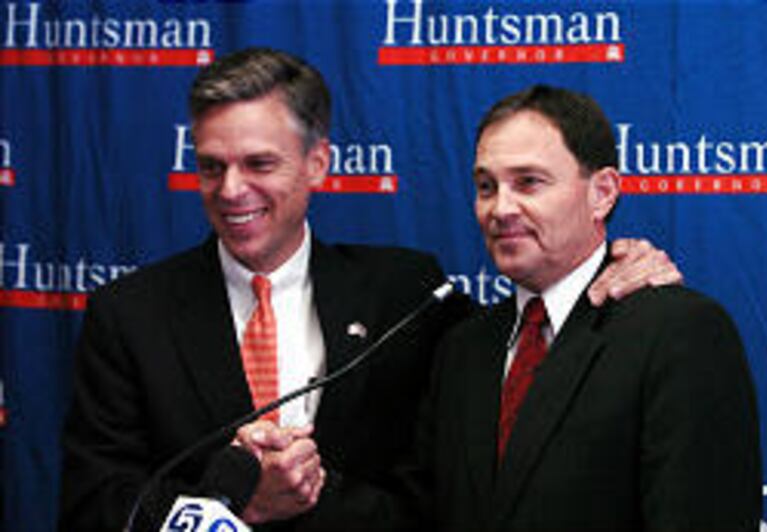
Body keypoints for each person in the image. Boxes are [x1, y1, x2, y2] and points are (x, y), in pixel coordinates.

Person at [58, 49, 681, 531]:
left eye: (260, 164)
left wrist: (612, 260)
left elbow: (534, 333)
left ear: (318, 164)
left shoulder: (406, 294)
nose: (231, 190)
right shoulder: (131, 314)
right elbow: (94, 508)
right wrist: (229, 502)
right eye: (211, 166)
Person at [409, 85, 762, 531]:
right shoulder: (462, 348)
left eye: (528, 182)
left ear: (603, 193)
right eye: (486, 187)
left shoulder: (679, 334)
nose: (500, 208)